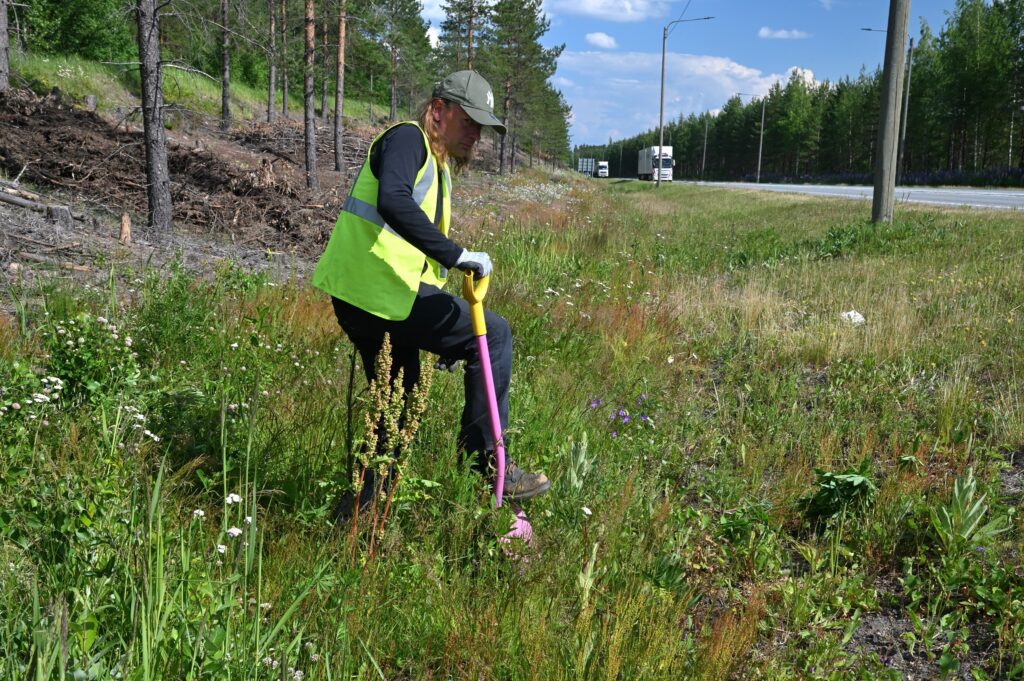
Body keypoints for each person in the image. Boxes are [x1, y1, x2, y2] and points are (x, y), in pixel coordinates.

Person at [313, 70, 550, 513]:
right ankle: (488, 463)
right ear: (438, 111)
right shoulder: (408, 140)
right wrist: (457, 254)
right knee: (494, 335)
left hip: (372, 296)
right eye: (470, 122)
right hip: (377, 294)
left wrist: (439, 324)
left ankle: (362, 516)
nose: (476, 135)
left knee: (397, 409)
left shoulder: (438, 168)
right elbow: (392, 200)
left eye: (482, 127)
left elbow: (410, 245)